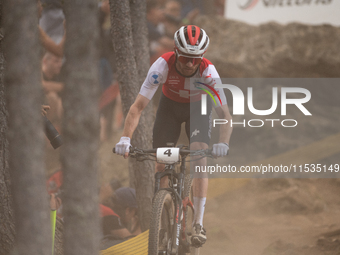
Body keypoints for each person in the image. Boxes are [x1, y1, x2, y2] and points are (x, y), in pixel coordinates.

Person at [115, 25, 233, 247]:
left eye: (195, 59)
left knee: (199, 156)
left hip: (197, 109)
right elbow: (138, 107)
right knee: (162, 163)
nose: (190, 63)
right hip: (169, 109)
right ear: (177, 52)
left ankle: (198, 223)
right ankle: (165, 214)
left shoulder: (208, 73)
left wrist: (222, 143)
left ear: (202, 57)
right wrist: (125, 139)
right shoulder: (162, 66)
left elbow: (225, 115)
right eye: (186, 57)